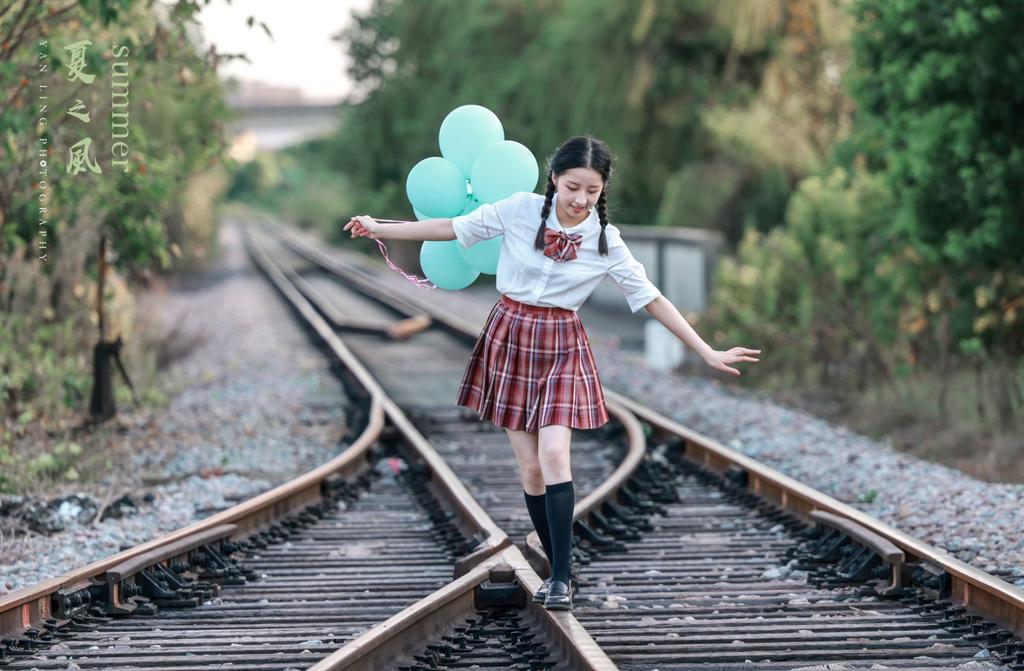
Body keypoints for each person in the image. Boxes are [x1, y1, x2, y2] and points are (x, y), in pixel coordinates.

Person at [343, 135, 761, 610]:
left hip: (562, 344)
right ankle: (554, 556)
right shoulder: (520, 210)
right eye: (573, 187)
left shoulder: (606, 240)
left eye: (593, 190)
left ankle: (560, 577)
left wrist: (706, 350)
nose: (582, 199)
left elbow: (651, 297)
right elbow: (453, 228)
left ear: (603, 190)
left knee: (556, 454)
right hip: (511, 336)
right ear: (555, 180)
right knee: (531, 467)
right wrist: (381, 227)